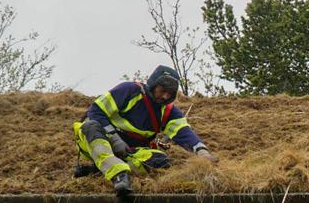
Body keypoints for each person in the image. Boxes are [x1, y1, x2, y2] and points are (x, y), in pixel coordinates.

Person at [73, 65, 218, 196]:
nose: (165, 96)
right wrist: (114, 139)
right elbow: (96, 111)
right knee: (89, 127)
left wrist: (202, 151)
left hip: (131, 152)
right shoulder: (129, 90)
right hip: (101, 142)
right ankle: (120, 175)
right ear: (153, 85)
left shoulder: (168, 112)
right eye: (162, 91)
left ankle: (100, 169)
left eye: (170, 93)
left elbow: (183, 132)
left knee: (161, 160)